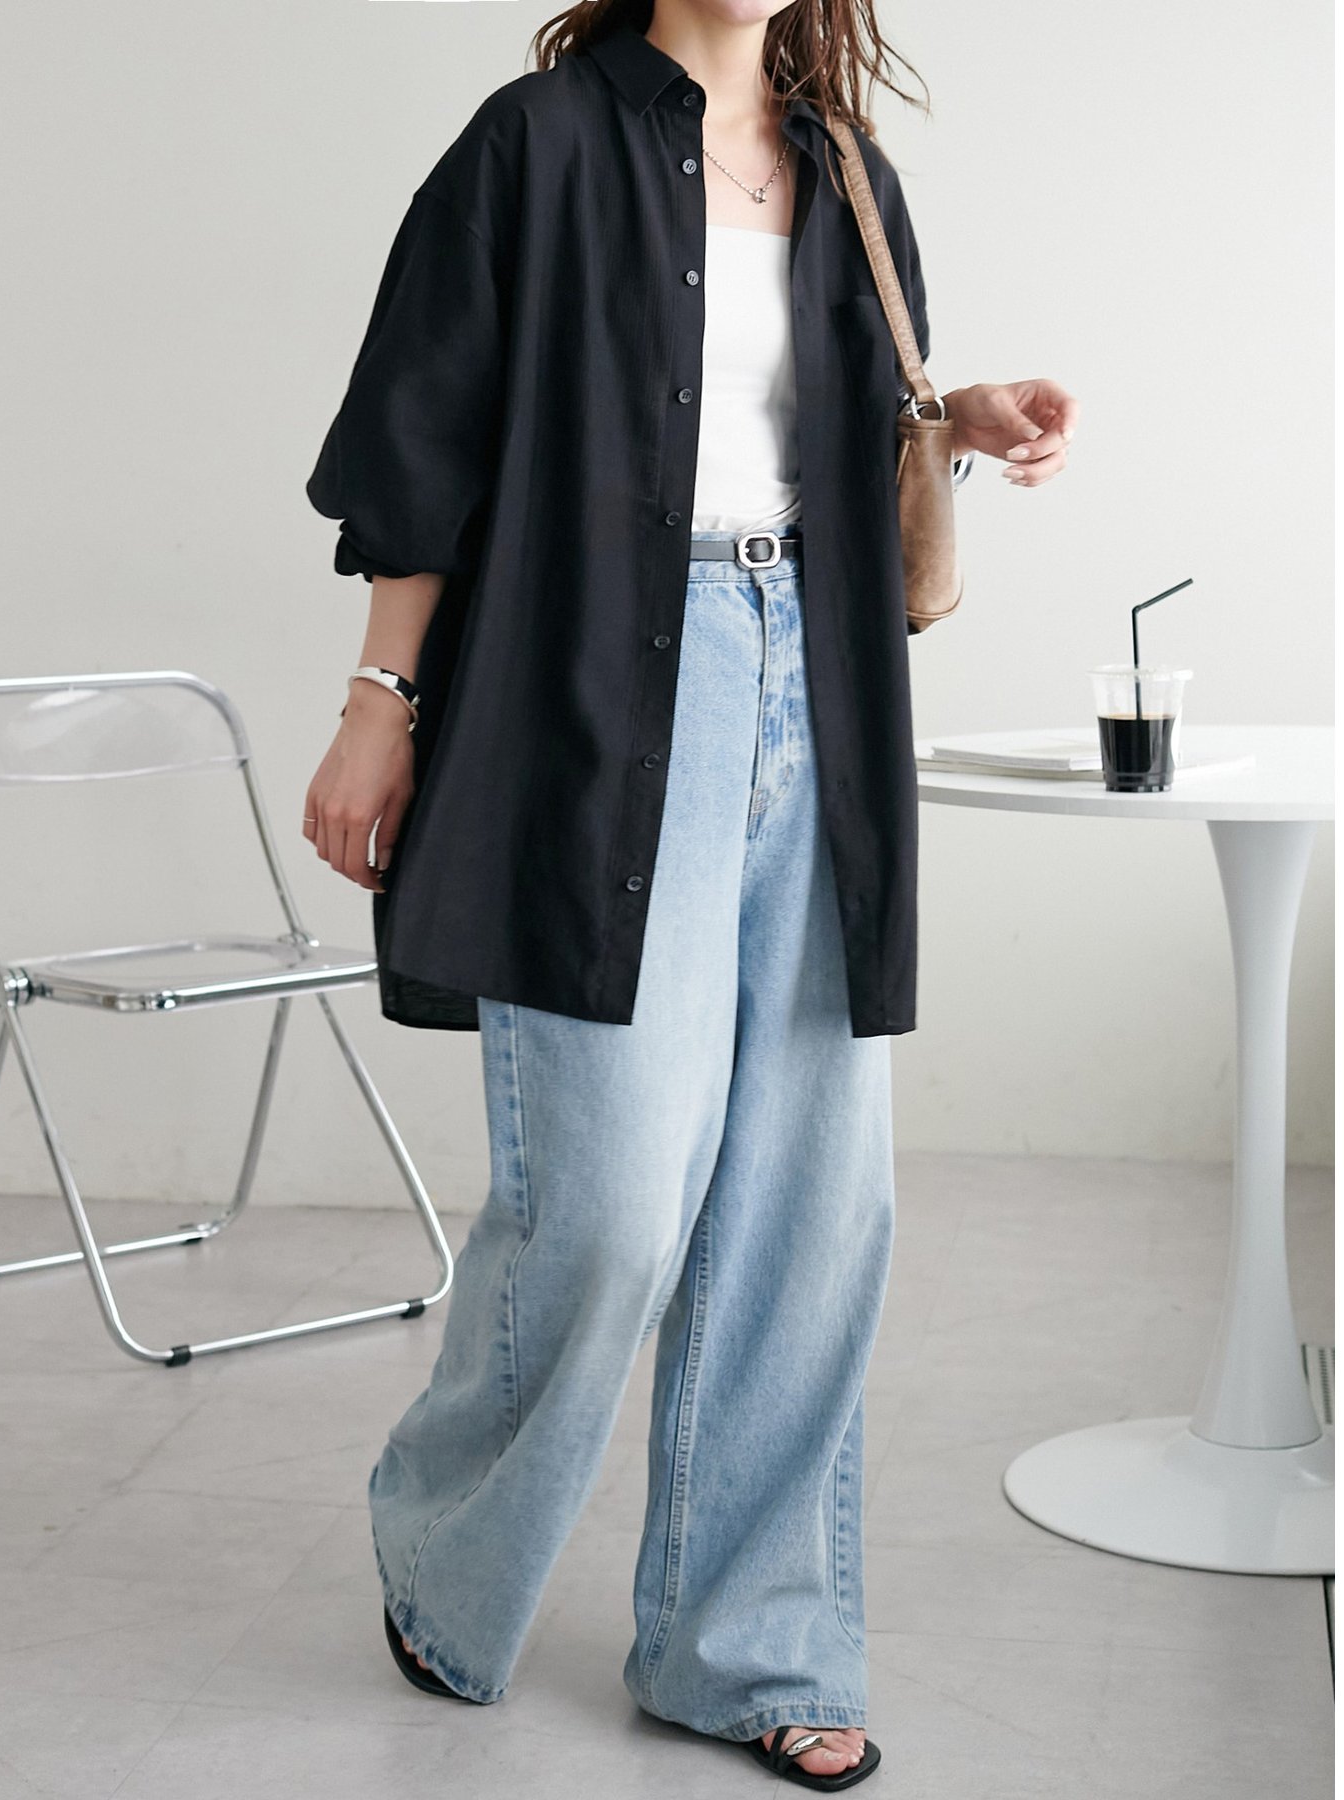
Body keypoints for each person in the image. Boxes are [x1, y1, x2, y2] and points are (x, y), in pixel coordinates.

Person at [302, 1, 1076, 1786]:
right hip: (593, 684)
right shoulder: (534, 146)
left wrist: (953, 418)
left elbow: (831, 439)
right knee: (610, 1206)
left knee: (810, 1205)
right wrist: (378, 704)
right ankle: (445, 1552)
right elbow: (422, 442)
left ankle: (755, 1645)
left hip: (821, 680)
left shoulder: (846, 175)